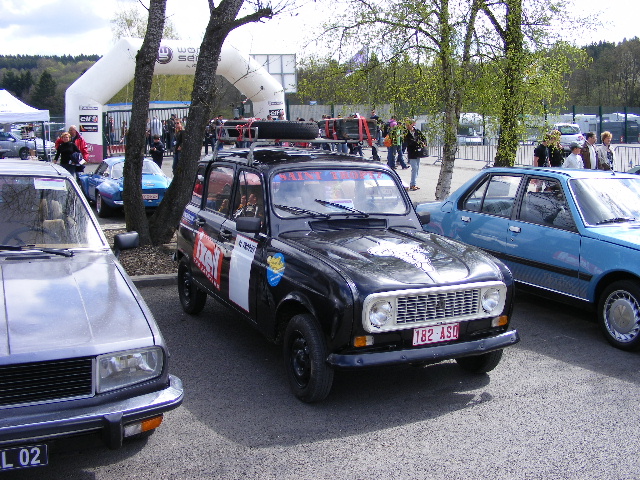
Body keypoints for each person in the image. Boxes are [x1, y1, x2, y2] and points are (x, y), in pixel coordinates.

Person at [405, 120, 427, 191]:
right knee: (414, 168)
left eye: (409, 125)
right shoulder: (406, 133)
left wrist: (424, 143)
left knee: (417, 168)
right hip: (411, 152)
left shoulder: (417, 131)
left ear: (412, 124)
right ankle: (412, 184)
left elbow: (423, 138)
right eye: (407, 125)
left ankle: (414, 183)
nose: (408, 126)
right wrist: (419, 143)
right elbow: (410, 142)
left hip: (418, 152)